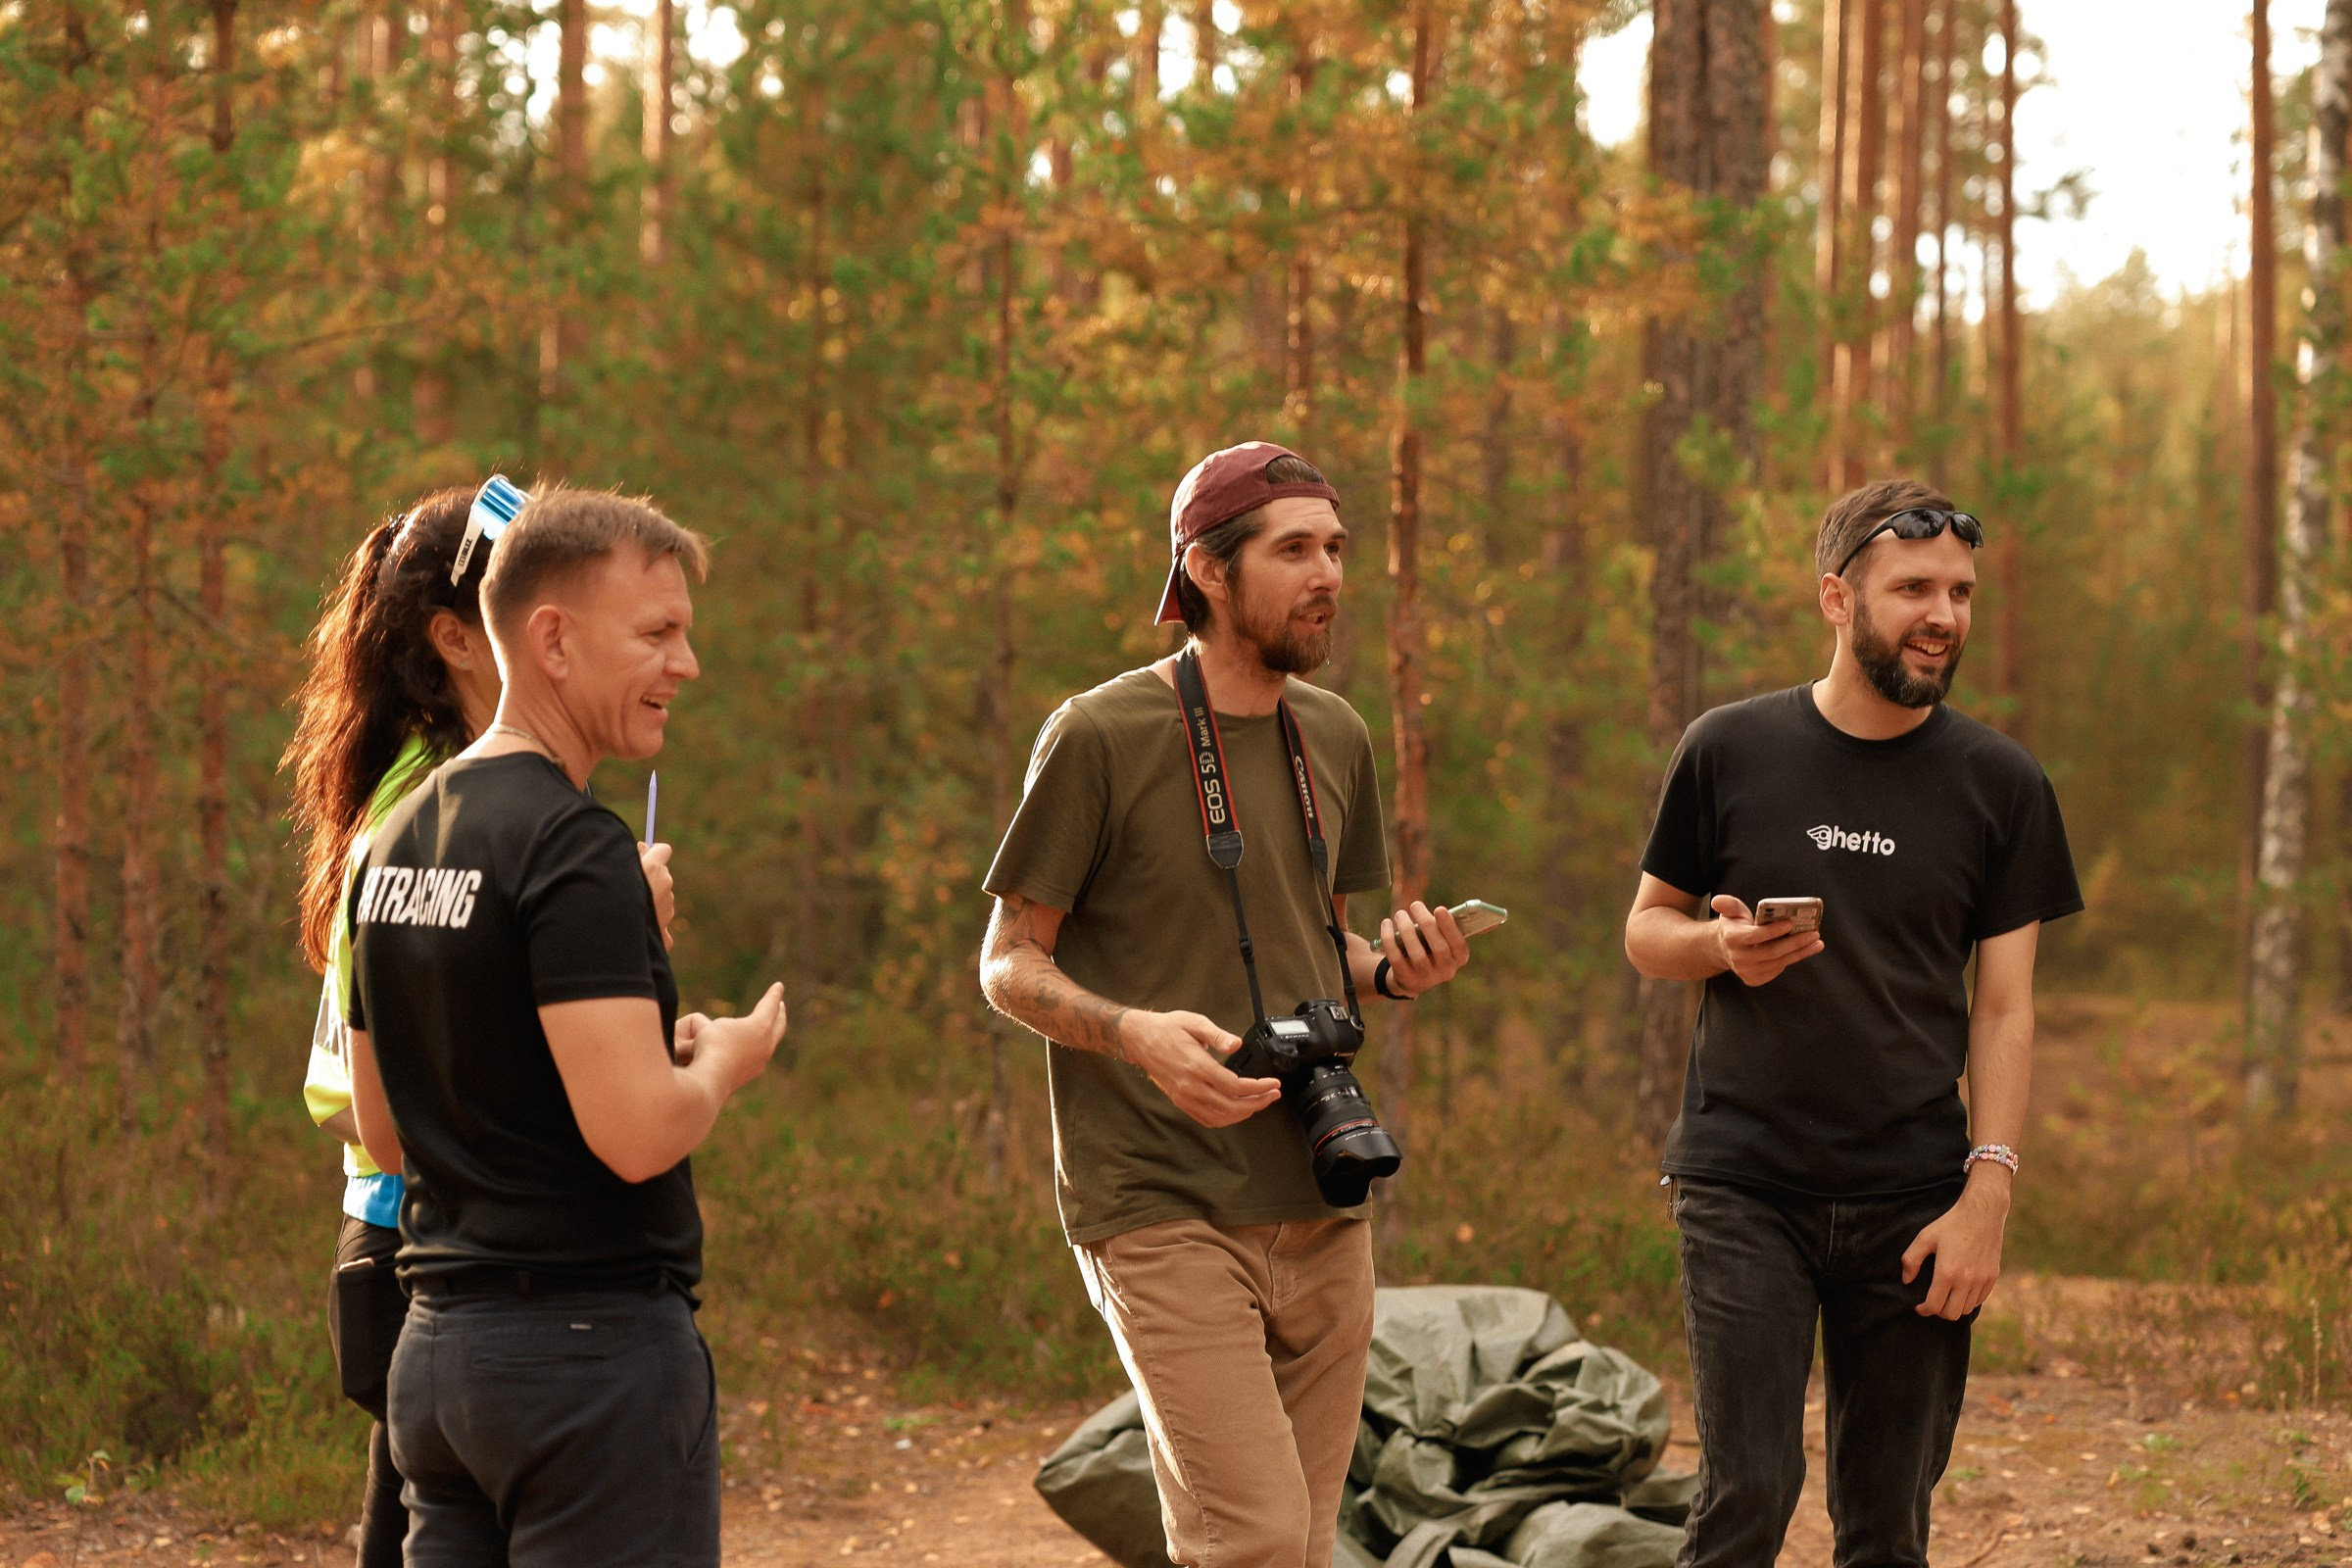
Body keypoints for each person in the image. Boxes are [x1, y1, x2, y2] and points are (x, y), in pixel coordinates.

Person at [979, 442, 1472, 1568]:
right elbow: (1008, 960)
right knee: (1247, 1538)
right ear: (1206, 568)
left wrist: (1395, 967)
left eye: (1337, 549)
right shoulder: (1098, 735)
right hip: (1157, 1194)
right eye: (1294, 549)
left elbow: (1309, 942)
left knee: (1297, 1542)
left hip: (1320, 1181)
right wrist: (1134, 1033)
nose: (1330, 574)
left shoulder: (1336, 736)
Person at [1623, 478, 2083, 1568]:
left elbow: (2007, 1008)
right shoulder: (1728, 747)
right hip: (1744, 1182)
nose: (1944, 616)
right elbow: (1648, 930)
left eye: (1961, 592)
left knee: (1887, 1522)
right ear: (1838, 597)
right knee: (1749, 1494)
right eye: (1914, 587)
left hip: (1916, 1199)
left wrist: (1990, 1191)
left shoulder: (2003, 784)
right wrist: (1718, 947)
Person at [341, 484, 782, 1568]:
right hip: (589, 1367)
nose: (687, 664)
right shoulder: (576, 846)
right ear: (552, 639)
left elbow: (383, 1131)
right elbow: (637, 1134)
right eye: (658, 633)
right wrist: (720, 1065)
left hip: (438, 1366)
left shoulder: (391, 837)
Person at [282, 482, 666, 1566]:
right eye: (525, 594)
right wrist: (621, 939)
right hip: (442, 1245)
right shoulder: (456, 806)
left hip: (409, 1242)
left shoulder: (420, 789)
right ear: (460, 636)